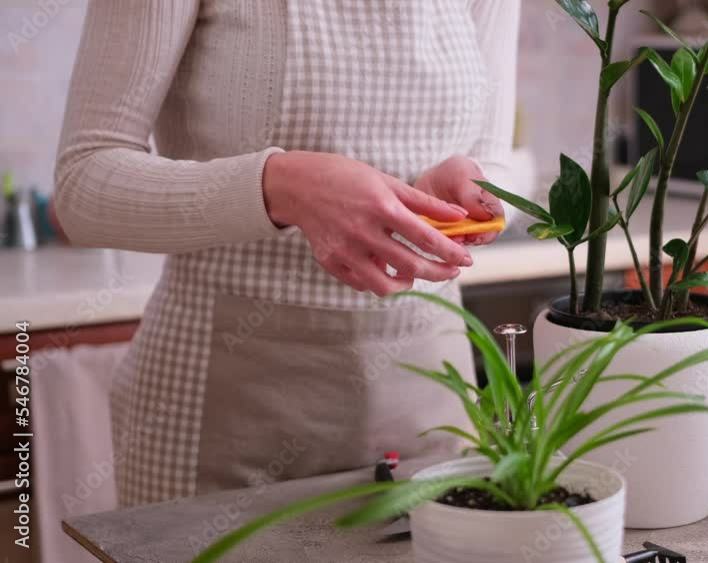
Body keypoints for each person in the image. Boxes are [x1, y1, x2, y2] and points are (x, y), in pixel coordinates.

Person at [53, 0, 521, 507]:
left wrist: (466, 196)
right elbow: (83, 186)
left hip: (427, 393)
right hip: (221, 403)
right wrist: (279, 185)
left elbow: (495, 162)